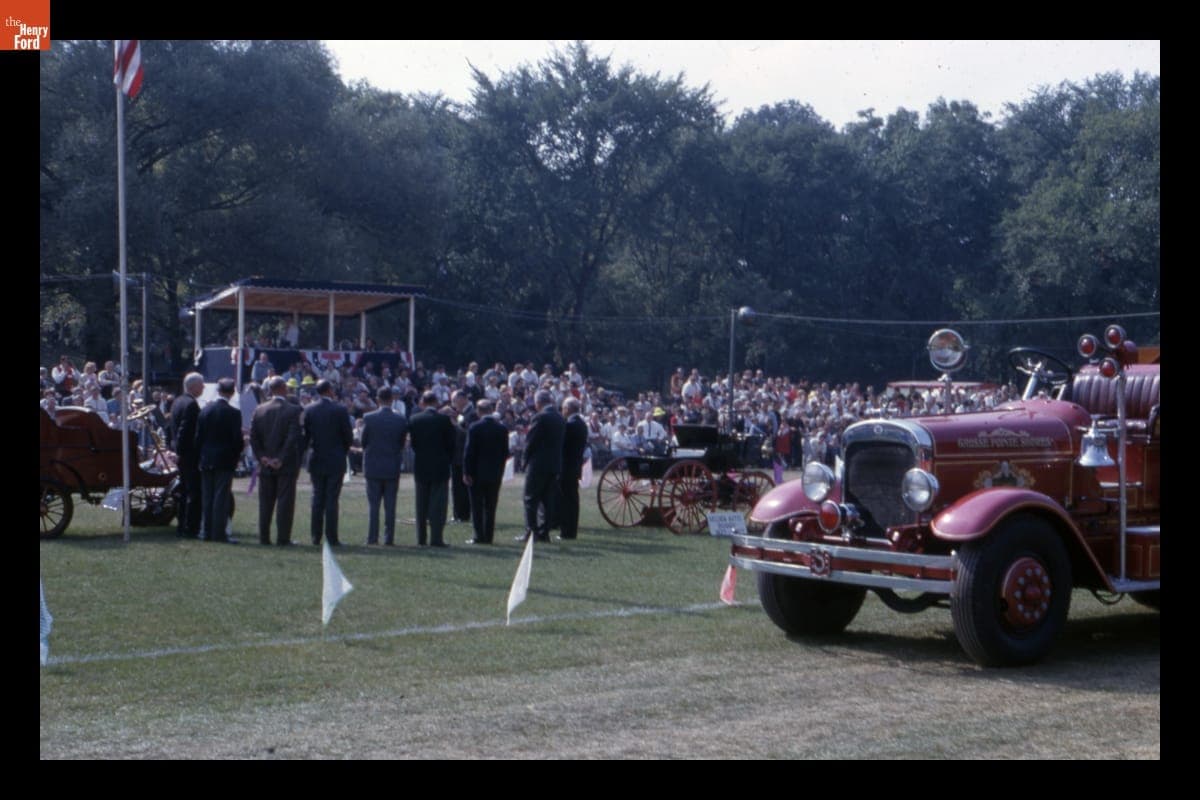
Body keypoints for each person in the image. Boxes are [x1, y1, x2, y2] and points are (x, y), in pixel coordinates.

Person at [250, 375, 303, 546]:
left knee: (265, 502)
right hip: (285, 464)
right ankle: (283, 538)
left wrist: (262, 457)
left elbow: (253, 437)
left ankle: (264, 537)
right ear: (283, 388)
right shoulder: (293, 410)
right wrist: (280, 458)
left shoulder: (259, 409)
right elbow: (292, 437)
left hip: (265, 463)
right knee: (285, 502)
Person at [301, 379, 354, 547]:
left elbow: (306, 437)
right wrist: (342, 451)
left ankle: (315, 536)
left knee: (317, 497)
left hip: (316, 457)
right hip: (335, 458)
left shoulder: (309, 409)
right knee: (332, 499)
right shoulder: (340, 410)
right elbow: (348, 437)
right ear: (330, 390)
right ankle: (332, 537)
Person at [196, 377, 244, 544]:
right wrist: (237, 456)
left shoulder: (205, 410)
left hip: (206, 457)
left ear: (218, 390)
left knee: (207, 496)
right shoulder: (234, 413)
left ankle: (206, 531)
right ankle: (219, 533)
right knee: (221, 497)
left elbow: (198, 437)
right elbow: (237, 440)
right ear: (231, 392)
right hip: (225, 459)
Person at [407, 390, 456, 547]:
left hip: (421, 465)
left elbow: (413, 444)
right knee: (438, 505)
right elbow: (451, 444)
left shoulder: (414, 419)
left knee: (421, 504)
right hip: (440, 466)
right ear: (436, 402)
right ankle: (436, 538)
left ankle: (421, 538)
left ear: (423, 402)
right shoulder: (444, 420)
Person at [361, 386, 408, 546]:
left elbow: (363, 442)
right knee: (390, 506)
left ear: (378, 399)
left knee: (373, 506)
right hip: (391, 466)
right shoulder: (400, 419)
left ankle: (372, 537)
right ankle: (389, 538)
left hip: (373, 466)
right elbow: (402, 443)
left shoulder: (369, 418)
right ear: (392, 399)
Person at [519, 390, 565, 543]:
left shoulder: (540, 417)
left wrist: (524, 460)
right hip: (554, 464)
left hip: (538, 464)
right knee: (547, 500)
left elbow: (531, 441)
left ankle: (531, 532)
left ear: (538, 403)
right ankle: (544, 533)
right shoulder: (560, 418)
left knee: (530, 499)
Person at [462, 398, 509, 544]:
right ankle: (489, 536)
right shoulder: (502, 428)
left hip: (477, 472)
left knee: (477, 506)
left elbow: (469, 452)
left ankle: (478, 535)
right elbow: (505, 452)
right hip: (495, 472)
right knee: (491, 506)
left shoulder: (475, 427)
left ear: (478, 411)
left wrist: (466, 472)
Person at [170, 372, 205, 538]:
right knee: (193, 492)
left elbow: (173, 429)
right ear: (194, 386)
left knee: (183, 491)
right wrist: (181, 452)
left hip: (180, 453)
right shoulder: (191, 405)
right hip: (189, 455)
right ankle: (190, 527)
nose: (204, 387)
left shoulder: (177, 401)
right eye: (201, 384)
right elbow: (185, 431)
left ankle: (181, 524)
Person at [558, 396, 589, 541]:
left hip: (567, 466)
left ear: (568, 408)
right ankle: (570, 530)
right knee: (572, 500)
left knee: (566, 501)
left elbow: (562, 446)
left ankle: (566, 532)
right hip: (575, 465)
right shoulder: (581, 423)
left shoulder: (570, 424)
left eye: (564, 408)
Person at [449, 390, 477, 524]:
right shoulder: (462, 414)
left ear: (462, 399)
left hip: (462, 456)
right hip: (457, 455)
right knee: (457, 487)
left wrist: (455, 424)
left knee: (461, 487)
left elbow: (468, 434)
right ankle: (459, 513)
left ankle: (462, 514)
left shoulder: (472, 413)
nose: (453, 404)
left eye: (454, 400)